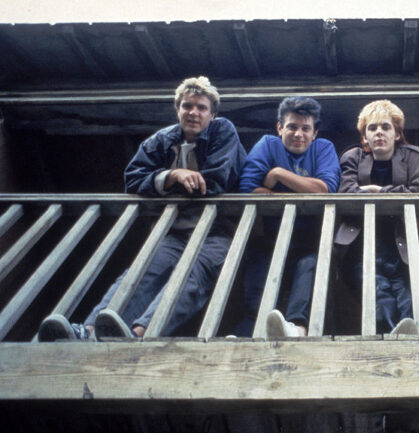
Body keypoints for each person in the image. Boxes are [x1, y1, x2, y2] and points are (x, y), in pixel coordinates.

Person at [39, 76, 246, 341]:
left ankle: (139, 333)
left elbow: (215, 181)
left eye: (201, 107)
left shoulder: (222, 130)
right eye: (187, 106)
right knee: (142, 272)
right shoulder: (161, 140)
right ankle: (90, 331)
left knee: (192, 277)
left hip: (216, 231)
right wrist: (172, 175)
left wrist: (162, 181)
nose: (193, 113)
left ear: (212, 114)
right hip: (173, 229)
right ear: (178, 110)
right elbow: (132, 179)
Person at [238, 96, 340, 338]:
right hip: (269, 237)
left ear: (315, 133)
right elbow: (247, 190)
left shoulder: (323, 148)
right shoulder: (267, 144)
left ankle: (297, 328)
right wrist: (303, 185)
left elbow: (325, 189)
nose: (299, 134)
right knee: (257, 276)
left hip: (311, 238)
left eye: (306, 128)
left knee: (311, 264)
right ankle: (250, 332)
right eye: (292, 127)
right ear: (279, 128)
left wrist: (278, 174)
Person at [334, 100, 419, 334]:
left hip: (401, 244)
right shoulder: (353, 158)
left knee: (407, 299)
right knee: (377, 298)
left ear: (397, 134)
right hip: (359, 244)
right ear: (364, 136)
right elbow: (346, 193)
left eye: (386, 127)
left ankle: (411, 343)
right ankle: (390, 339)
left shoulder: (414, 157)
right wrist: (393, 194)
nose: (379, 132)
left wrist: (378, 191)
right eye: (372, 127)